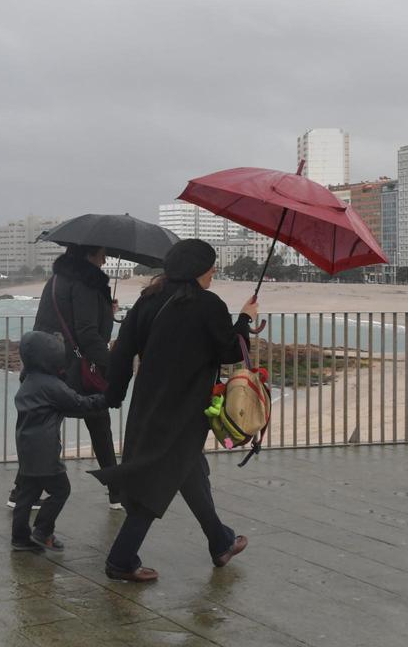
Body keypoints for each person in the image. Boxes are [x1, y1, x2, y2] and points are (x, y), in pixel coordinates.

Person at [90, 238, 258, 582]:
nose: (213, 273)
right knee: (158, 480)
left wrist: (114, 394)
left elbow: (123, 351)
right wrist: (244, 319)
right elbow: (229, 351)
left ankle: (221, 541)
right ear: (198, 270)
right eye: (211, 267)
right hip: (184, 409)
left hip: (149, 403)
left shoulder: (149, 299)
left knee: (188, 471)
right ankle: (120, 561)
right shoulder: (207, 304)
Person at [7, 244, 121, 510]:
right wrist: (111, 364)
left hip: (44, 367)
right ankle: (117, 491)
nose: (105, 258)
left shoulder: (56, 280)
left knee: (41, 430)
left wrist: (105, 311)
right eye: (102, 252)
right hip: (74, 369)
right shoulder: (85, 284)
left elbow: (51, 324)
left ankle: (22, 491)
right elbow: (87, 332)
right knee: (99, 423)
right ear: (88, 253)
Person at [11, 330, 108, 552]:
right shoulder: (50, 385)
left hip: (26, 446)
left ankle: (19, 537)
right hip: (45, 450)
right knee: (61, 490)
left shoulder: (28, 379)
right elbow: (78, 403)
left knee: (27, 493)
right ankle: (43, 531)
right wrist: (105, 399)